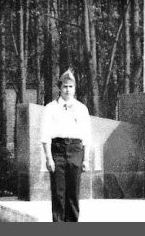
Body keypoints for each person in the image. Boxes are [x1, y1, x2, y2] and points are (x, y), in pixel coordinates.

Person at [40, 69, 92, 222]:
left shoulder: (82, 109)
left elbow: (87, 136)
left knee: (73, 193)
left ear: (75, 89)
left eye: (70, 87)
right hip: (58, 151)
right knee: (58, 193)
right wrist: (49, 158)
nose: (67, 90)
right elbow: (45, 135)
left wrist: (86, 159)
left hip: (76, 150)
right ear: (59, 88)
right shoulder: (50, 108)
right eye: (65, 87)